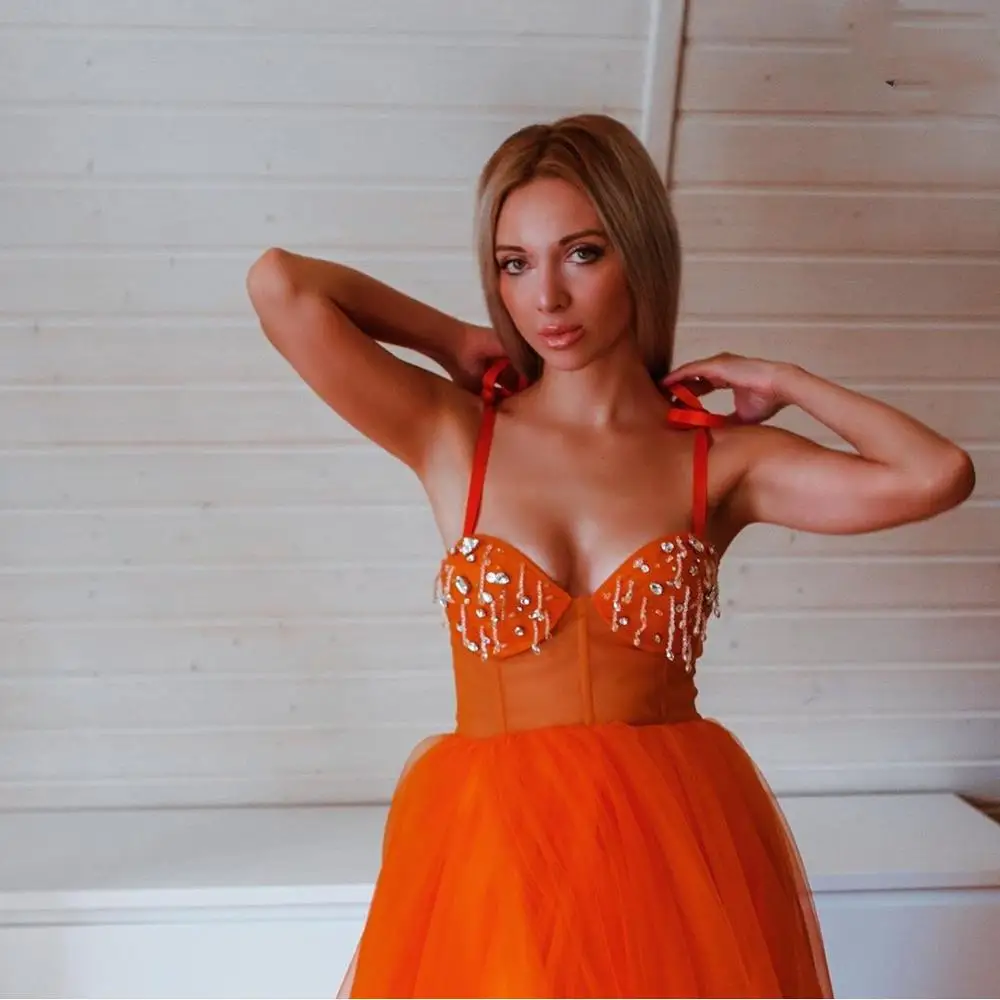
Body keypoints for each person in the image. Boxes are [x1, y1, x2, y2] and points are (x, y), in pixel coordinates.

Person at [246, 114, 975, 999]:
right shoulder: (453, 434)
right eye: (515, 263)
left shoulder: (719, 461)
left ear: (641, 256)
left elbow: (937, 474)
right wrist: (449, 338)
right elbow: (280, 285)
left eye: (581, 254)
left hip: (671, 857)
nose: (546, 299)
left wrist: (785, 381)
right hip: (491, 859)